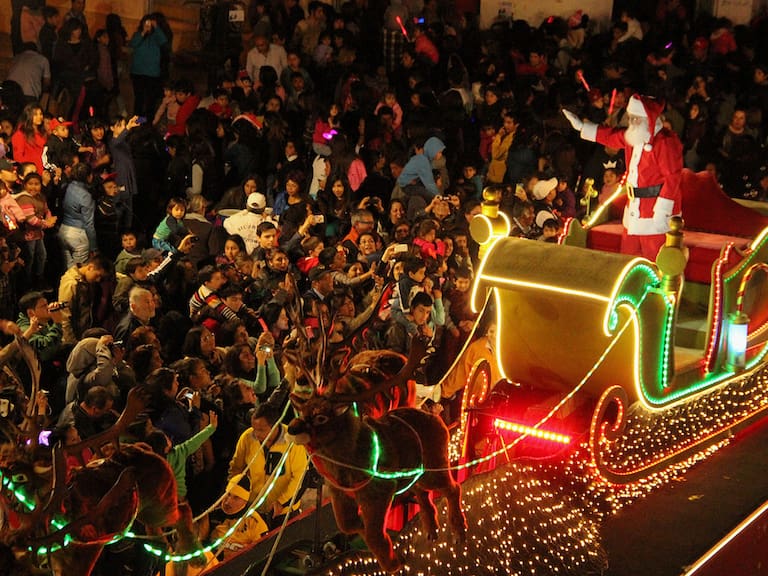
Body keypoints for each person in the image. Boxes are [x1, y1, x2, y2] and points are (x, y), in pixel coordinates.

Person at [563, 94, 683, 259]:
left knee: (655, 260)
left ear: (649, 118)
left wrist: (662, 211)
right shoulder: (635, 136)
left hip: (655, 212)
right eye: (630, 118)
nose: (631, 122)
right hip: (634, 209)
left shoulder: (664, 141)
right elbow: (611, 135)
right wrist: (582, 127)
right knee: (628, 260)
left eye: (636, 119)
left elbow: (672, 178)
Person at [227, 403, 308, 525]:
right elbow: (236, 468)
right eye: (254, 428)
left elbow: (299, 477)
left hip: (283, 511)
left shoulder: (292, 441)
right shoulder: (247, 438)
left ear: (275, 426)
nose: (256, 434)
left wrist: (281, 502)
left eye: (261, 430)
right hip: (253, 510)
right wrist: (236, 495)